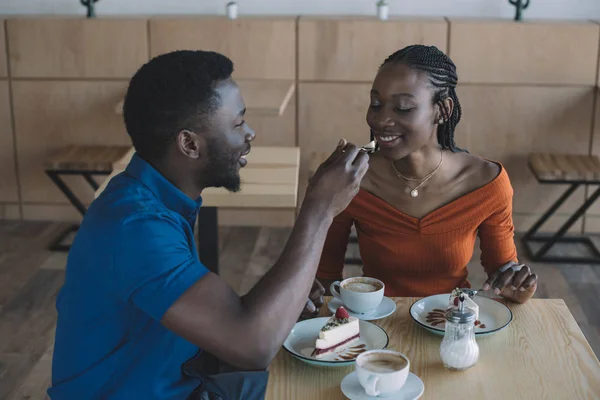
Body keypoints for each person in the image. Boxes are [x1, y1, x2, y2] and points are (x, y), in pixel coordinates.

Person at [47, 50, 369, 400]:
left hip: (186, 381)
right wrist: (320, 208)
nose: (251, 133)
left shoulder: (152, 200)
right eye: (237, 123)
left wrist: (280, 305)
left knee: (335, 383)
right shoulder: (134, 227)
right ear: (189, 144)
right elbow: (252, 347)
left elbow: (225, 325)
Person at [315, 45, 538, 304]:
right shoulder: (352, 180)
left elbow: (504, 275)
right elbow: (324, 279)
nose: (381, 120)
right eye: (376, 104)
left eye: (403, 108)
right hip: (376, 323)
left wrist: (517, 287)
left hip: (449, 322)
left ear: (442, 110)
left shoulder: (487, 184)